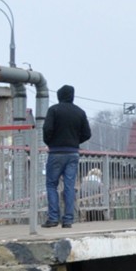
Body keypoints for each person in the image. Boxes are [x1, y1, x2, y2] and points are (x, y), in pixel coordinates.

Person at [42, 84, 91, 228]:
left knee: (52, 184)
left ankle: (53, 219)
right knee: (69, 186)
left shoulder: (54, 110)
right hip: (73, 153)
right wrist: (75, 142)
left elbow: (47, 129)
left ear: (59, 96)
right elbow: (87, 134)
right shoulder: (80, 112)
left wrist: (50, 142)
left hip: (56, 152)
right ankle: (68, 219)